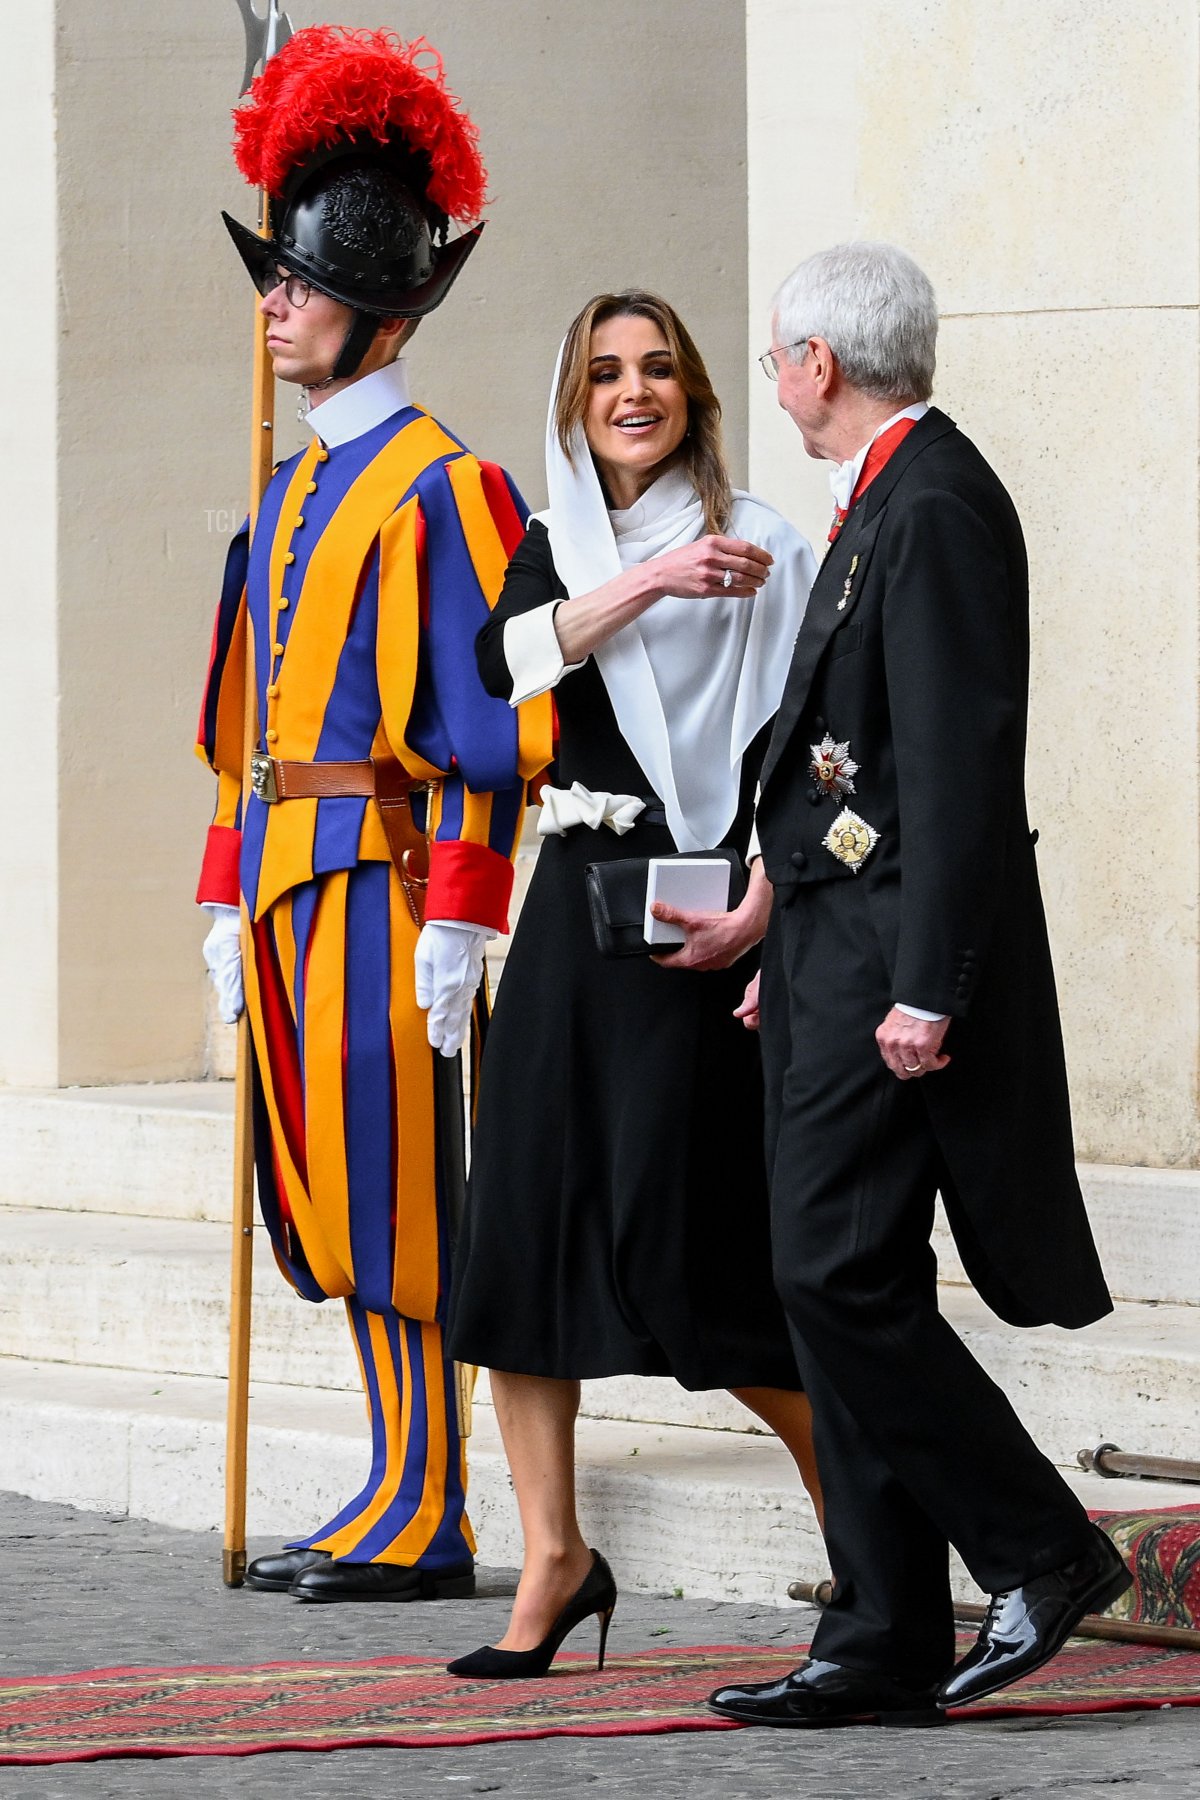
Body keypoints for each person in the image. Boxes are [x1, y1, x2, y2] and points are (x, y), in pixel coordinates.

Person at [698, 241, 1130, 1728]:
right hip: (835, 951)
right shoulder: (889, 489)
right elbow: (851, 772)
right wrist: (791, 937)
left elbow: (953, 767)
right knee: (834, 1282)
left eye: (776, 358)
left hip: (892, 969)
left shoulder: (934, 501)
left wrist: (928, 984)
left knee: (833, 1271)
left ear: (816, 361)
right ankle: (880, 1631)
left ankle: (1041, 1549)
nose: (777, 380)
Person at [196, 25, 550, 1603]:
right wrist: (221, 888)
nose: (271, 306)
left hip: (387, 884)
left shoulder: (441, 487)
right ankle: (391, 1476)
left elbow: (488, 737)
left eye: (295, 285)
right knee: (326, 1195)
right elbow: (238, 738)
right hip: (283, 878)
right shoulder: (282, 489)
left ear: (377, 308)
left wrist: (466, 912)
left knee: (405, 1193)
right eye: (269, 282)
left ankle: (434, 1504)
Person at [445, 291, 822, 1679]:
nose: (633, 390)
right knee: (518, 1232)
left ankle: (860, 1528)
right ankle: (555, 1559)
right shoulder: (558, 546)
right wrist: (652, 584)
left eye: (658, 368)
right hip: (572, 917)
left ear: (696, 392)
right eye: (606, 372)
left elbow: (801, 736)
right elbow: (504, 663)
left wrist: (779, 921)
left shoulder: (765, 538)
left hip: (701, 917)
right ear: (574, 401)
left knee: (690, 1236)